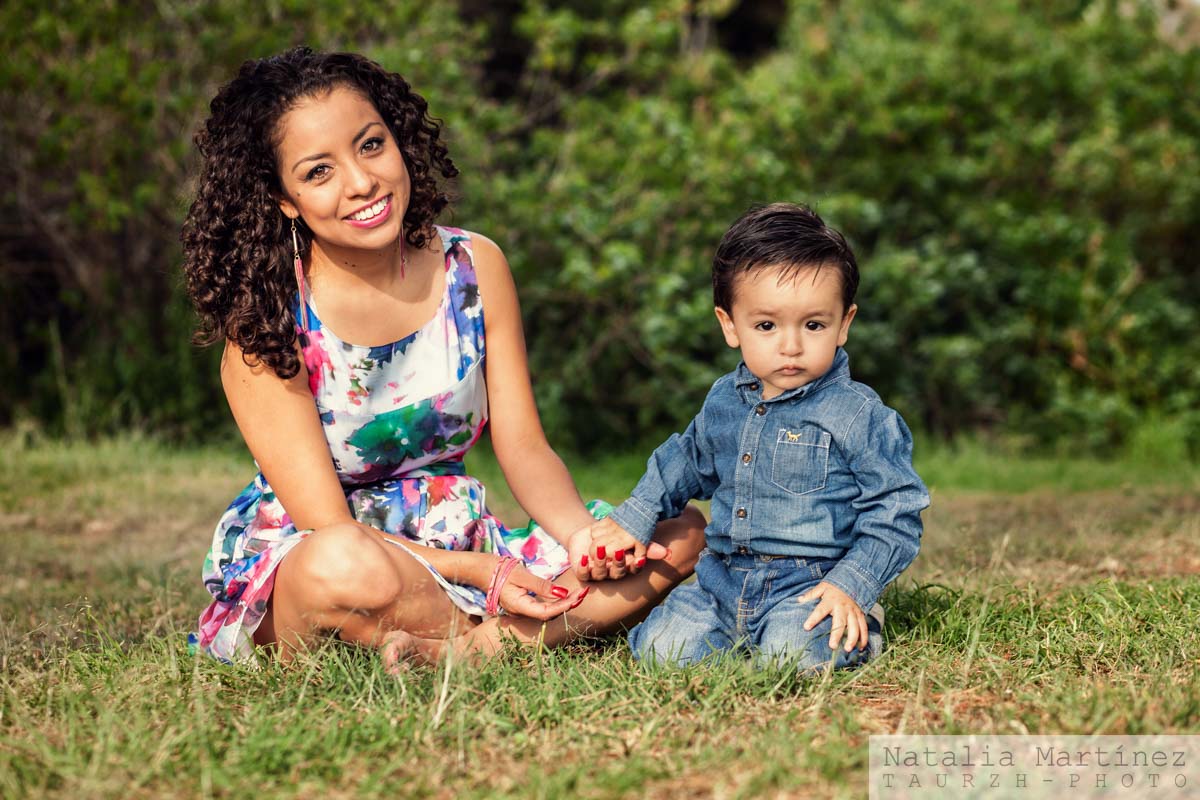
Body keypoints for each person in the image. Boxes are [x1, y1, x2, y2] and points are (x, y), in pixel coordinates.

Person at [181, 47, 705, 666]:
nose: (361, 182)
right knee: (344, 568)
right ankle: (502, 637)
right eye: (318, 172)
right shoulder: (266, 323)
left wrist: (583, 538)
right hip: (330, 557)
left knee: (678, 537)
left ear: (398, 141)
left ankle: (453, 650)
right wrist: (487, 573)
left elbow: (524, 446)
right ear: (283, 198)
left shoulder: (474, 267)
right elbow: (328, 527)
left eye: (370, 145)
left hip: (450, 531)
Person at [574, 203, 930, 670]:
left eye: (814, 325)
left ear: (844, 324)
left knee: (791, 657)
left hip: (812, 585)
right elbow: (683, 461)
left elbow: (897, 509)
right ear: (730, 325)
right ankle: (732, 638)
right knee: (662, 651)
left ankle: (856, 626)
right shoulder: (724, 400)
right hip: (721, 579)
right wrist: (633, 518)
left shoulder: (858, 414)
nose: (791, 345)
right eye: (766, 325)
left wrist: (852, 582)